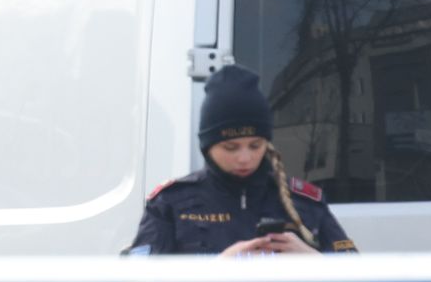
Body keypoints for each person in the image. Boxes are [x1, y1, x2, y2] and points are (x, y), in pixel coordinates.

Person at [130, 64, 355, 255]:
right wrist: (214, 272)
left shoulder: (303, 202)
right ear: (207, 147)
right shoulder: (170, 204)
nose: (245, 158)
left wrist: (314, 262)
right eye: (231, 147)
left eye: (255, 145)